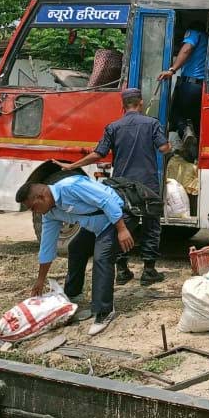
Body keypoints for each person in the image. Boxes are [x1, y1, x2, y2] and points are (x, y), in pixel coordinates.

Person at [61, 88, 170, 286]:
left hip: (121, 186)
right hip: (147, 184)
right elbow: (164, 148)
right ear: (141, 103)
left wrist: (72, 165)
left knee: (122, 223)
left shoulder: (113, 127)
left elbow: (98, 153)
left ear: (123, 106)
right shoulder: (152, 123)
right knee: (150, 225)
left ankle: (122, 270)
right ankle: (148, 271)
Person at [16, 177, 135, 336]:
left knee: (102, 257)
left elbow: (106, 200)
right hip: (96, 225)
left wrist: (121, 229)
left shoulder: (70, 186)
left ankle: (104, 312)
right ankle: (73, 296)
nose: (34, 212)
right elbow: (47, 246)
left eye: (33, 208)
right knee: (76, 247)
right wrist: (40, 280)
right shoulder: (49, 213)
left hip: (119, 216)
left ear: (41, 197)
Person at [157, 25, 208, 161]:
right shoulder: (208, 39)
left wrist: (172, 70)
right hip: (202, 88)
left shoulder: (194, 32)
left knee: (173, 114)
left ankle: (185, 130)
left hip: (189, 84)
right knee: (195, 120)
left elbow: (187, 49)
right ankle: (193, 154)